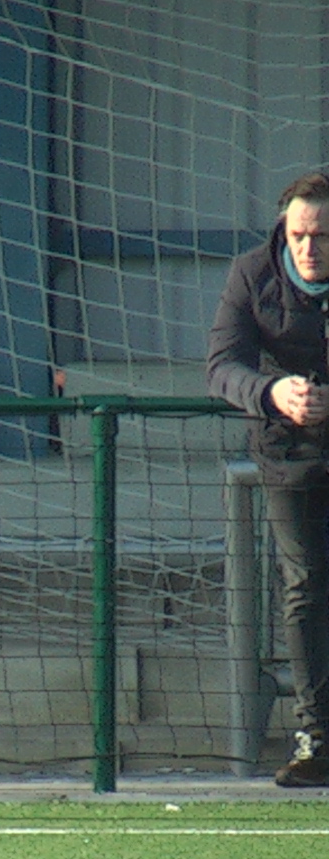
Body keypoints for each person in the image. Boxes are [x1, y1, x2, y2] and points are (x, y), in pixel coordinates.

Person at [208, 170, 329, 787]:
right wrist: (272, 392)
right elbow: (220, 366)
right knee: (305, 586)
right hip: (289, 456)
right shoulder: (252, 274)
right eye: (299, 234)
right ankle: (317, 739)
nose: (308, 248)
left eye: (322, 236)